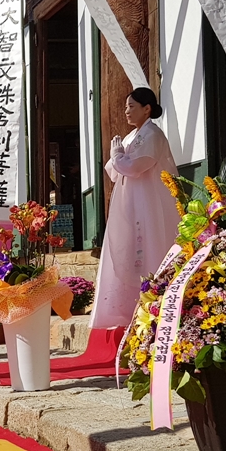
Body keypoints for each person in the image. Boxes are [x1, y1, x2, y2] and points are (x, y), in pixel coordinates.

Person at [91, 88, 180, 330]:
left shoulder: (152, 134)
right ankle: (130, 310)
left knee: (150, 246)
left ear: (147, 108)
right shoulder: (132, 136)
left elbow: (135, 167)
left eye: (132, 106)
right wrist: (118, 156)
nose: (127, 111)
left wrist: (119, 156)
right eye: (126, 106)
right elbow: (113, 169)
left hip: (148, 203)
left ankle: (154, 306)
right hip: (130, 204)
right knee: (128, 249)